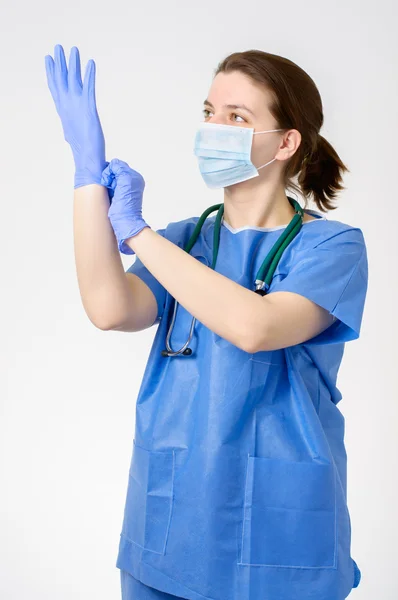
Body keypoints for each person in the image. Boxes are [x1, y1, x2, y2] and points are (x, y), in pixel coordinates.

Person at [45, 45, 368, 600]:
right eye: (209, 112)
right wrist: (85, 180)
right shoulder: (187, 242)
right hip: (168, 533)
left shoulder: (331, 246)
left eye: (237, 117)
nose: (213, 128)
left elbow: (256, 327)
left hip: (279, 541)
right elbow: (110, 307)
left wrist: (136, 231)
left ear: (286, 142)